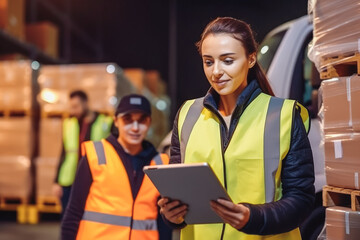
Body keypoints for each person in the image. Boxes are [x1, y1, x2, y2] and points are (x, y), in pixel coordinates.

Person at [158, 17, 315, 240]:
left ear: (251, 59)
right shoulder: (187, 115)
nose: (216, 72)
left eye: (227, 61)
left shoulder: (284, 116)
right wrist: (172, 215)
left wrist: (254, 217)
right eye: (208, 62)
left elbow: (301, 199)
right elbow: (178, 194)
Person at [61, 94, 172, 240]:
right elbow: (73, 212)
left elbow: (163, 222)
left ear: (149, 122)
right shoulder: (95, 155)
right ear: (116, 121)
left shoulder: (160, 163)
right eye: (128, 120)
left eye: (142, 120)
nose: (135, 127)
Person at [52, 90, 113, 215]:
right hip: (69, 180)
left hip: (94, 180)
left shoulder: (105, 123)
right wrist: (56, 181)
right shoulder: (69, 124)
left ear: (86, 103)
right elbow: (63, 153)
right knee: (68, 219)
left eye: (76, 106)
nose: (73, 111)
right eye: (71, 107)